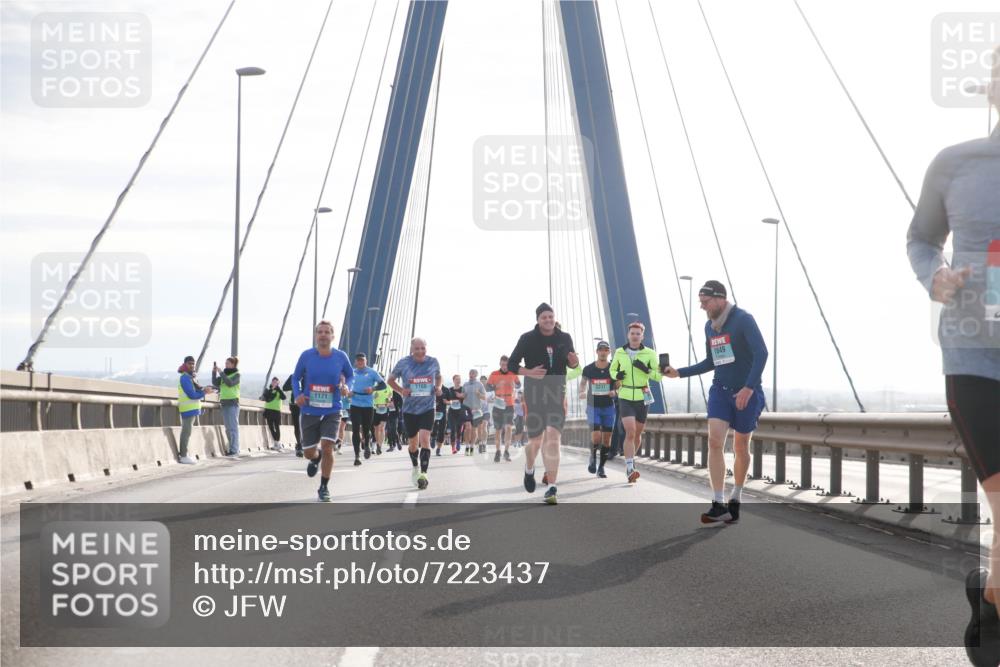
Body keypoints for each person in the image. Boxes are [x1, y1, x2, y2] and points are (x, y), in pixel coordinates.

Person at [906, 47, 1000, 666]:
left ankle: (991, 602)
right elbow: (919, 237)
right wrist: (934, 275)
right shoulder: (956, 163)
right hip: (975, 360)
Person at [665, 281, 767, 524]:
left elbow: (762, 353)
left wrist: (748, 388)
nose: (702, 307)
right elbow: (710, 362)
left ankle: (736, 497)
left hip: (747, 393)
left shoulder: (743, 320)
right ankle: (718, 502)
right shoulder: (710, 328)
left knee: (741, 446)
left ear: (720, 298)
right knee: (714, 442)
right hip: (720, 391)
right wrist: (679, 372)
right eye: (700, 302)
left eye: (705, 302)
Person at [508, 303, 579, 504]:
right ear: (538, 320)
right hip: (535, 395)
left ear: (554, 317)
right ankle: (529, 468)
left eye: (550, 316)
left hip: (557, 393)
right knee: (536, 441)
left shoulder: (564, 338)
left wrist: (574, 362)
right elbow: (512, 365)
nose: (548, 320)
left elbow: (572, 363)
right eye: (543, 317)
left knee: (553, 440)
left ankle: (552, 487)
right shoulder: (527, 338)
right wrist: (529, 372)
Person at [292, 320, 354, 502]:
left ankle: (324, 487)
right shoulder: (306, 356)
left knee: (328, 447)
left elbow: (350, 376)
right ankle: (315, 458)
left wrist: (346, 388)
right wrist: (298, 395)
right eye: (320, 332)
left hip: (332, 409)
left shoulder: (341, 357)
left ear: (332, 336)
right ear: (316, 335)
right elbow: (295, 378)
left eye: (327, 332)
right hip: (309, 408)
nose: (323, 335)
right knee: (309, 452)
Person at [609, 322, 664, 484]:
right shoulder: (619, 352)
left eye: (638, 334)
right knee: (630, 432)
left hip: (643, 395)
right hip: (625, 395)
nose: (635, 336)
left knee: (638, 435)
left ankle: (631, 460)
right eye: (632, 333)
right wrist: (617, 374)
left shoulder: (650, 353)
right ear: (628, 335)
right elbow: (612, 371)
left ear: (642, 336)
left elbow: (659, 376)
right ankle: (629, 468)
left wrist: (646, 370)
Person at [387, 337, 443, 490]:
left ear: (426, 348)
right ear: (411, 349)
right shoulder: (404, 362)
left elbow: (438, 377)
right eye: (416, 348)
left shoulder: (433, 361)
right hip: (410, 409)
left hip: (428, 407)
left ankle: (424, 474)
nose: (420, 351)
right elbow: (390, 380)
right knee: (413, 443)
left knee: (425, 438)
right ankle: (415, 467)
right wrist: (401, 390)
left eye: (422, 348)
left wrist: (438, 387)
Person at [568, 340, 616, 478]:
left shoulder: (613, 369)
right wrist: (581, 391)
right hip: (593, 406)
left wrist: (615, 392)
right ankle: (593, 458)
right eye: (601, 349)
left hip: (608, 407)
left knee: (607, 440)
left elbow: (619, 385)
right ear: (597, 351)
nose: (603, 351)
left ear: (608, 352)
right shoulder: (588, 369)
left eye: (606, 349)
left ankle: (601, 468)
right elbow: (583, 384)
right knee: (596, 436)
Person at [348, 352, 387, 465]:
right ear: (355, 362)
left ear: (366, 361)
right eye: (358, 360)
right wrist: (348, 392)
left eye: (362, 360)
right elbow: (346, 384)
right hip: (355, 403)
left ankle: (367, 445)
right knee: (355, 429)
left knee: (366, 429)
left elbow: (383, 385)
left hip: (368, 405)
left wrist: (373, 388)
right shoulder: (352, 372)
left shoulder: (372, 372)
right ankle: (357, 456)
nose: (360, 362)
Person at [176, 355, 214, 464]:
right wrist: (204, 392)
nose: (192, 365)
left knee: (188, 432)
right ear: (185, 364)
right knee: (186, 432)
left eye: (193, 363)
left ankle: (185, 454)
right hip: (187, 409)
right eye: (189, 363)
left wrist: (205, 390)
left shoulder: (191, 376)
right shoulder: (185, 377)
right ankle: (183, 456)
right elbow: (192, 394)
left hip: (192, 409)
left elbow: (196, 390)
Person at [486, 356, 521, 462]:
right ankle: (497, 451)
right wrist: (496, 386)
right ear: (499, 364)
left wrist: (515, 384)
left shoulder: (513, 373)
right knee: (498, 429)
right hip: (498, 404)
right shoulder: (494, 374)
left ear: (508, 364)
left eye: (505, 364)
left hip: (509, 403)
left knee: (509, 428)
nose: (504, 366)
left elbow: (519, 385)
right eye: (502, 364)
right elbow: (487, 387)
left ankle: (506, 451)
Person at [212, 356, 242, 456]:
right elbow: (215, 383)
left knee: (233, 428)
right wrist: (214, 372)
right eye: (225, 363)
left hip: (233, 403)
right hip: (224, 403)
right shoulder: (224, 375)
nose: (226, 365)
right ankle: (231, 448)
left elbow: (229, 383)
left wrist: (221, 372)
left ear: (233, 364)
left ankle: (234, 449)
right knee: (228, 428)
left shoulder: (237, 375)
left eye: (228, 363)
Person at [462, 369, 487, 455]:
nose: (471, 374)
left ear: (476, 375)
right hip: (466, 408)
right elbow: (462, 396)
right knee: (467, 427)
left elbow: (484, 397)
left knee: (474, 429)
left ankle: (472, 446)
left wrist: (479, 394)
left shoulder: (479, 384)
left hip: (476, 409)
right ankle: (467, 446)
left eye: (473, 373)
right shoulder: (465, 384)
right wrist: (461, 396)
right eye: (470, 373)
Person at [444, 375, 467, 454]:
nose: (458, 381)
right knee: (453, 429)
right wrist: (450, 402)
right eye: (457, 379)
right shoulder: (449, 390)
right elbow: (445, 401)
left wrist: (461, 396)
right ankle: (453, 448)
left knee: (459, 429)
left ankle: (458, 441)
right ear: (453, 380)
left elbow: (466, 399)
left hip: (460, 412)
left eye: (459, 379)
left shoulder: (463, 389)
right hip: (452, 412)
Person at [261, 377, 286, 451]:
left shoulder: (279, 391)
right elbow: (265, 397)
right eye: (273, 381)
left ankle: (277, 443)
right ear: (271, 382)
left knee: (277, 427)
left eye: (276, 382)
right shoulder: (268, 390)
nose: (274, 383)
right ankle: (276, 443)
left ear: (278, 383)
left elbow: (284, 397)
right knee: (271, 427)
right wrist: (272, 389)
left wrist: (278, 389)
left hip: (276, 411)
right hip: (269, 410)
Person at [283, 374, 303, 457]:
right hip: (294, 404)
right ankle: (299, 445)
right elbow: (284, 388)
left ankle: (304, 444)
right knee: (297, 426)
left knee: (306, 425)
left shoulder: (309, 375)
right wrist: (294, 386)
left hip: (306, 404)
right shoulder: (293, 376)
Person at [373, 384, 393, 451]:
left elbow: (390, 397)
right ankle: (377, 444)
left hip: (385, 409)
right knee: (376, 429)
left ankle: (379, 446)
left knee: (382, 428)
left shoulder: (388, 387)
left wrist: (389, 401)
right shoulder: (374, 386)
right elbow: (371, 397)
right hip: (376, 409)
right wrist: (374, 396)